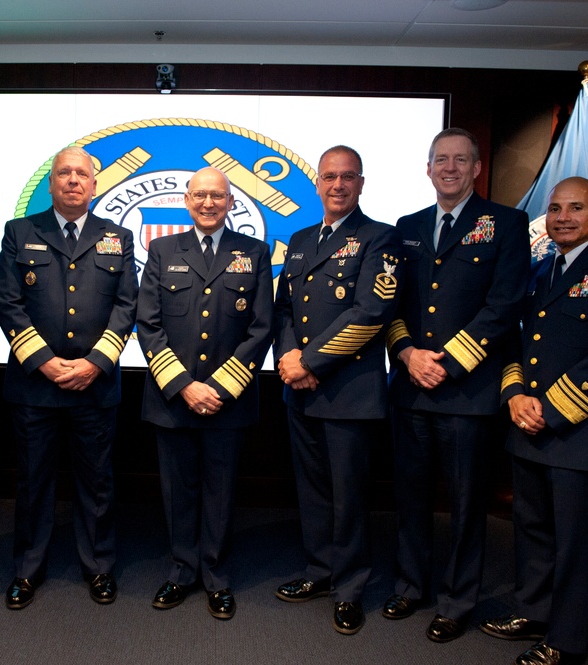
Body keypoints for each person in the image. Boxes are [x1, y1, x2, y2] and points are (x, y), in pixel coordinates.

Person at [480, 177, 588, 665]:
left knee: (577, 541)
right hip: (527, 425)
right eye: (555, 208)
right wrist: (514, 395)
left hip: (580, 430)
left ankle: (568, 640)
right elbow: (515, 343)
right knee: (531, 526)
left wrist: (549, 411)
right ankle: (533, 612)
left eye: (576, 208)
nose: (562, 217)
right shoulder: (537, 273)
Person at [384, 127, 530, 642]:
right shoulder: (407, 226)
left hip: (468, 393)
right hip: (411, 388)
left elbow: (506, 304)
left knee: (467, 504)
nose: (449, 167)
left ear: (475, 169)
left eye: (460, 160)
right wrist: (406, 353)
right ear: (427, 169)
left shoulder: (507, 224)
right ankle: (410, 585)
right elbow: (394, 303)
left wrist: (447, 361)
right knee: (411, 496)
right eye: (440, 159)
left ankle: (457, 600)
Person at [0, 146, 138, 609]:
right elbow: (8, 302)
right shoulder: (20, 232)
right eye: (64, 173)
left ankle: (98, 566)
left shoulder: (118, 235)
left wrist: (96, 362)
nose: (73, 180)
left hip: (95, 384)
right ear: (51, 183)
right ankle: (27, 569)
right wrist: (45, 361)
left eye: (82, 174)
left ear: (94, 185)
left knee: (96, 482)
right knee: (33, 482)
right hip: (36, 385)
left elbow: (126, 305)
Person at [273, 145, 402, 635]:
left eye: (348, 177)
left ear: (361, 183)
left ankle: (349, 588)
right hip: (300, 391)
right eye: (329, 176)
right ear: (318, 183)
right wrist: (289, 361)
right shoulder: (302, 239)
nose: (338, 185)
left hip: (349, 391)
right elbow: (285, 308)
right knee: (313, 491)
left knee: (349, 496)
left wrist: (308, 362)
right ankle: (320, 571)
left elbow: (370, 313)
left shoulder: (380, 239)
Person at [136, 167, 272, 620]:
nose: (209, 203)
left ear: (231, 201)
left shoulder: (253, 251)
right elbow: (148, 324)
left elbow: (261, 327)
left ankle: (215, 575)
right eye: (200, 195)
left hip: (227, 399)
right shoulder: (161, 249)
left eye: (217, 195)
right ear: (187, 201)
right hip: (173, 397)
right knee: (178, 490)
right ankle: (181, 571)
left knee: (219, 490)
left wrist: (219, 387)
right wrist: (184, 385)